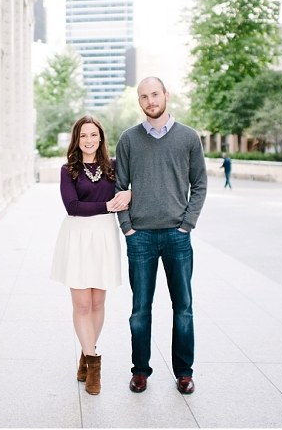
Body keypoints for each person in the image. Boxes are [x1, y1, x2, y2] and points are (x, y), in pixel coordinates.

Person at [114, 76, 207, 395]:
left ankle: (184, 371)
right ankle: (140, 371)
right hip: (139, 237)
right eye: (143, 97)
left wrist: (187, 224)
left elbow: (200, 184)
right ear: (139, 102)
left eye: (155, 94)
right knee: (140, 309)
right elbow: (119, 187)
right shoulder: (127, 140)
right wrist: (127, 228)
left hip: (177, 236)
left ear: (166, 95)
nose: (150, 101)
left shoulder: (189, 138)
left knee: (183, 307)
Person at [50, 115, 132, 395]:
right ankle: (94, 365)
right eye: (83, 135)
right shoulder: (68, 170)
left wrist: (129, 195)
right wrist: (108, 204)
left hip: (105, 237)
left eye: (93, 135)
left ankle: (87, 353)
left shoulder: (114, 167)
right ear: (77, 139)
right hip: (77, 238)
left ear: (101, 138)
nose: (89, 140)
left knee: (98, 303)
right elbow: (72, 206)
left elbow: (131, 188)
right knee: (82, 304)